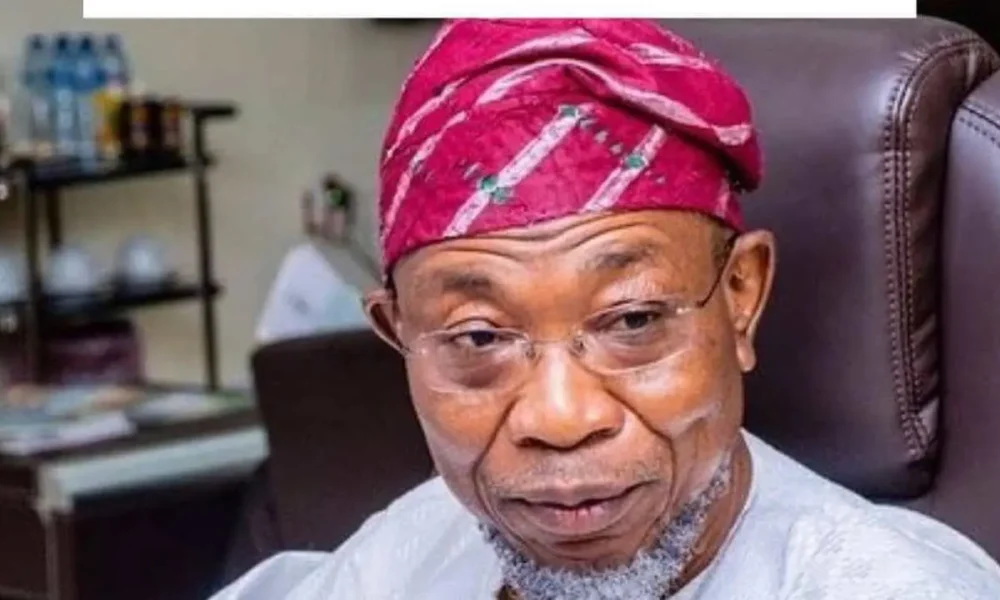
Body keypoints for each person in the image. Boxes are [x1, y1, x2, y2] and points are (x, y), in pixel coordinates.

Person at [213, 19, 1000, 599]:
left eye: (633, 321)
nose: (560, 419)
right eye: (479, 337)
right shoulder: (416, 548)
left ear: (740, 297)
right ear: (400, 336)